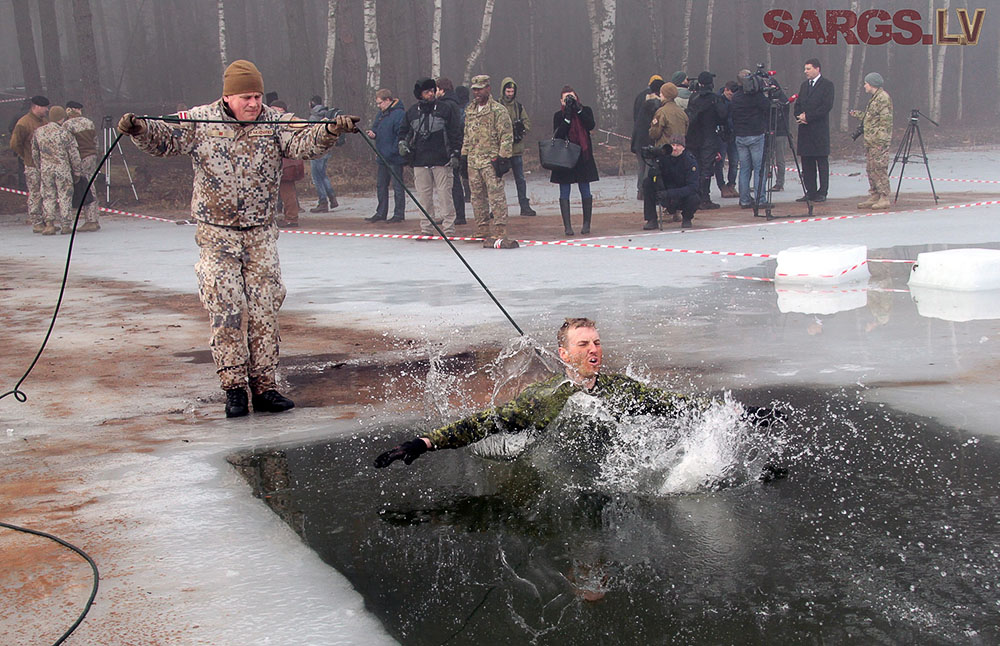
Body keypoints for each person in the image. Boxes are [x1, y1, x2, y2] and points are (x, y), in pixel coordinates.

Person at [117, 59, 359, 418]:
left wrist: (331, 131)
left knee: (264, 310)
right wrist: (137, 129)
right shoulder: (201, 120)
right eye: (246, 96)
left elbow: (305, 142)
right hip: (217, 234)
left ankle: (265, 386)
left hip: (260, 233)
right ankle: (233, 387)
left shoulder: (274, 122)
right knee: (226, 308)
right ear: (228, 96)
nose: (254, 103)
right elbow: (164, 140)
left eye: (258, 96)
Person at [374, 318, 784, 468]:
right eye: (584, 344)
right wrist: (426, 442)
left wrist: (741, 413)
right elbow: (486, 422)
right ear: (564, 354)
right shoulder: (545, 395)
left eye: (597, 342)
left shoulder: (620, 388)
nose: (594, 350)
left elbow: (676, 407)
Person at [398, 77, 463, 238]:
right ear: (420, 94)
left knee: (445, 196)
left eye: (433, 91)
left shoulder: (445, 109)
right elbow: (403, 131)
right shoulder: (412, 112)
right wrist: (402, 144)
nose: (431, 94)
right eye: (427, 91)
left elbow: (455, 133)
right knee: (424, 197)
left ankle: (448, 228)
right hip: (420, 161)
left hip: (442, 160)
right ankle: (426, 227)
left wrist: (455, 153)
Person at [462, 74, 517, 248]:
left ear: (488, 89)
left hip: (491, 160)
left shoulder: (498, 110)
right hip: (473, 161)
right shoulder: (470, 110)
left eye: (480, 89)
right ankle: (482, 227)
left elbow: (507, 136)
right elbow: (467, 135)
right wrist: (464, 155)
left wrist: (502, 158)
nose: (477, 93)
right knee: (477, 197)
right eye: (475, 90)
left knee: (496, 197)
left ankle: (500, 229)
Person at [551, 86, 599, 237]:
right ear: (561, 101)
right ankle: (568, 226)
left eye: (572, 97)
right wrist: (567, 115)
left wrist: (577, 110)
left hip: (582, 155)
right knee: (564, 190)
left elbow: (590, 124)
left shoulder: (586, 110)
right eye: (566, 98)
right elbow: (559, 135)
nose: (570, 100)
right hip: (565, 157)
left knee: (585, 188)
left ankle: (586, 224)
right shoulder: (558, 115)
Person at [31, 106, 83, 236]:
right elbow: (74, 154)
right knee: (65, 195)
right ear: (61, 118)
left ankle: (49, 224)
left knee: (48, 196)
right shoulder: (64, 133)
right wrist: (77, 171)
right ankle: (66, 225)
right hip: (62, 169)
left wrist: (39, 167)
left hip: (46, 170)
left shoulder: (39, 132)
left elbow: (34, 153)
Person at [849, 73, 893, 211]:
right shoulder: (874, 99)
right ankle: (875, 194)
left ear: (872, 84)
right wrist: (857, 114)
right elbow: (871, 118)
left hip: (878, 142)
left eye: (866, 83)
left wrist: (880, 141)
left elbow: (885, 122)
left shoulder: (883, 98)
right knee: (871, 168)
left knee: (879, 168)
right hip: (870, 141)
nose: (864, 86)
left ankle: (884, 197)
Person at [684, 71, 727, 210]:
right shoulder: (714, 99)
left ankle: (696, 196)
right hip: (709, 137)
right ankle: (705, 198)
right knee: (707, 168)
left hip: (693, 138)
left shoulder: (693, 97)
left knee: (696, 167)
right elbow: (723, 116)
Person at [794, 58, 834, 203]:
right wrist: (799, 116)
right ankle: (810, 191)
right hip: (805, 131)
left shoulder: (827, 85)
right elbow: (798, 104)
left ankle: (822, 192)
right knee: (807, 162)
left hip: (819, 131)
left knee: (821, 162)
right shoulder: (804, 86)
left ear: (817, 69)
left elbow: (826, 106)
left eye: (808, 69)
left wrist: (808, 117)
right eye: (805, 69)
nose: (806, 72)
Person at [364, 88, 407, 223]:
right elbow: (376, 128)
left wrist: (393, 151)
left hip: (394, 157)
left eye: (380, 103)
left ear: (388, 100)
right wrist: (373, 134)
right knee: (381, 185)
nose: (378, 106)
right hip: (382, 156)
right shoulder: (380, 114)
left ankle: (399, 214)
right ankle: (381, 212)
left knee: (397, 186)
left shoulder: (399, 114)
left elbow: (400, 134)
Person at [731, 70, 771, 209]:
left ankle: (744, 200)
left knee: (744, 169)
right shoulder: (756, 96)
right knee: (760, 168)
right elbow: (768, 107)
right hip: (755, 135)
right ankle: (761, 199)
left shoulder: (735, 97)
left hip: (740, 136)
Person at [642, 133, 700, 230]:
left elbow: (692, 187)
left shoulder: (690, 161)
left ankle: (687, 218)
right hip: (665, 192)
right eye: (673, 145)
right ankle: (651, 219)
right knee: (647, 183)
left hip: (682, 195)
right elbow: (653, 177)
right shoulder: (664, 157)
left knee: (694, 198)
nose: (675, 148)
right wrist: (654, 168)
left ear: (683, 147)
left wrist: (669, 193)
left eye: (678, 145)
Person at [9, 95, 50, 232]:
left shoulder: (44, 121)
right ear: (36, 107)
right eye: (44, 107)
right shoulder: (24, 123)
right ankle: (37, 221)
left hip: (45, 164)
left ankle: (46, 219)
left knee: (46, 192)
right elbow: (15, 144)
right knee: (35, 193)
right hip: (32, 164)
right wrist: (25, 156)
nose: (46, 110)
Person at [499, 76, 536, 216]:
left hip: (516, 149)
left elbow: (528, 124)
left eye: (511, 91)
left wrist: (520, 128)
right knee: (498, 180)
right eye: (507, 91)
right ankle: (497, 208)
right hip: (502, 149)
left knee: (520, 179)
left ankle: (524, 205)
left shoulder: (519, 107)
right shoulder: (497, 106)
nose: (510, 94)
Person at [62, 101, 101, 232]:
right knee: (91, 185)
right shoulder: (88, 122)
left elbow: (69, 146)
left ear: (68, 110)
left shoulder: (67, 125)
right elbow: (96, 141)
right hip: (91, 156)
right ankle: (93, 218)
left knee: (86, 187)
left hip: (80, 157)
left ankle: (91, 220)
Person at [435, 77, 467, 224]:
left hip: (449, 147)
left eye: (436, 89)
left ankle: (458, 215)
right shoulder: (454, 103)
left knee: (452, 183)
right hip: (451, 146)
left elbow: (452, 129)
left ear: (441, 90)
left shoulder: (447, 105)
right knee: (449, 183)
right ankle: (453, 214)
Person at [269, 100, 305, 228]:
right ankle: (289, 216)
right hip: (288, 162)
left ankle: (291, 218)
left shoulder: (285, 123)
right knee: (287, 191)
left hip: (286, 163)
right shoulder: (288, 122)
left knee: (287, 191)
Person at [631, 75, 665, 199]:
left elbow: (635, 116)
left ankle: (640, 190)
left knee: (641, 166)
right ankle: (646, 190)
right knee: (649, 164)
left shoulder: (640, 97)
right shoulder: (656, 103)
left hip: (638, 137)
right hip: (649, 138)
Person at [307, 94, 341, 212]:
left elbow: (310, 134)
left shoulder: (314, 116)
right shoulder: (327, 114)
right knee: (323, 175)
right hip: (327, 149)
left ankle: (323, 202)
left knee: (317, 177)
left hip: (317, 150)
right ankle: (332, 198)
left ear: (312, 103)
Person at [715, 81, 740, 199]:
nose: (732, 97)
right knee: (720, 162)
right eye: (730, 94)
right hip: (722, 135)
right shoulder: (718, 101)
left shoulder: (737, 101)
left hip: (734, 134)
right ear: (725, 90)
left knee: (734, 161)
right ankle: (722, 185)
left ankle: (732, 184)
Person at [648, 82, 688, 147]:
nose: (660, 95)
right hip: (679, 151)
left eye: (661, 93)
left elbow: (654, 134)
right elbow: (685, 131)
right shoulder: (682, 113)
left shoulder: (661, 112)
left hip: (664, 150)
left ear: (665, 95)